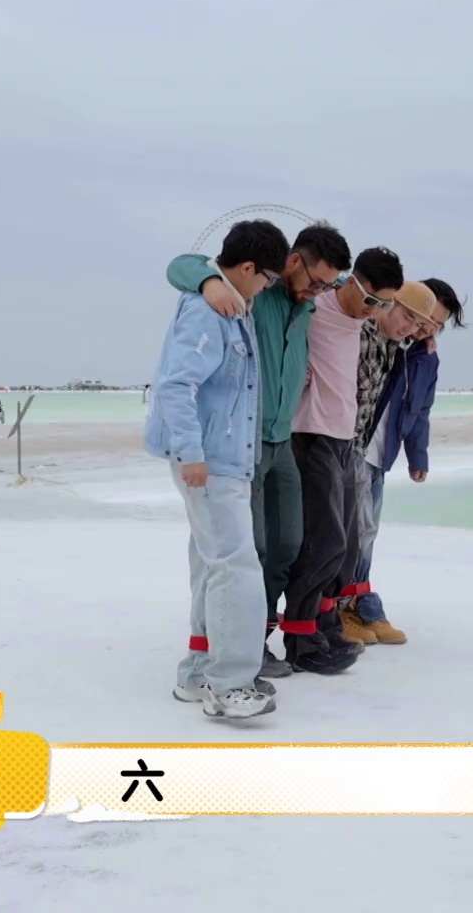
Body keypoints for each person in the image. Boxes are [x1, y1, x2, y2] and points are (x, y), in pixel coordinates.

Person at [167, 222, 355, 679]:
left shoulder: (307, 305)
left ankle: (262, 636)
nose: (318, 291)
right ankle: (235, 649)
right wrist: (209, 282)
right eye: (315, 281)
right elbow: (182, 265)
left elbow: (362, 294)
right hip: (242, 445)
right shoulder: (259, 292)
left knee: (288, 543)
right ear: (293, 262)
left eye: (327, 285)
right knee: (248, 549)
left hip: (282, 440)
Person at [143, 219, 291, 720]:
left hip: (222, 458)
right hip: (209, 462)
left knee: (213, 563)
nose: (267, 288)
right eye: (266, 278)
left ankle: (198, 673)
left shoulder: (230, 305)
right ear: (247, 268)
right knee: (236, 567)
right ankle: (229, 685)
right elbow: (176, 385)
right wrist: (191, 454)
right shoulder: (208, 310)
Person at [282, 246, 404, 674]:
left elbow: (403, 326)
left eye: (383, 304)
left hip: (346, 440)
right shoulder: (315, 306)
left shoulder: (365, 321)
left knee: (348, 545)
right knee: (323, 542)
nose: (373, 310)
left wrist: (423, 336)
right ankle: (301, 638)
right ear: (350, 282)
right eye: (370, 299)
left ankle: (326, 624)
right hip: (309, 434)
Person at [345, 277, 464, 647]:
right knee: (355, 530)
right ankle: (347, 604)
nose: (427, 327)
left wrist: (418, 454)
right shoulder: (387, 340)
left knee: (367, 532)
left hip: (383, 454)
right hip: (355, 446)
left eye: (437, 324)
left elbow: (421, 409)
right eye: (426, 317)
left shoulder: (426, 357)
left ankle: (357, 601)